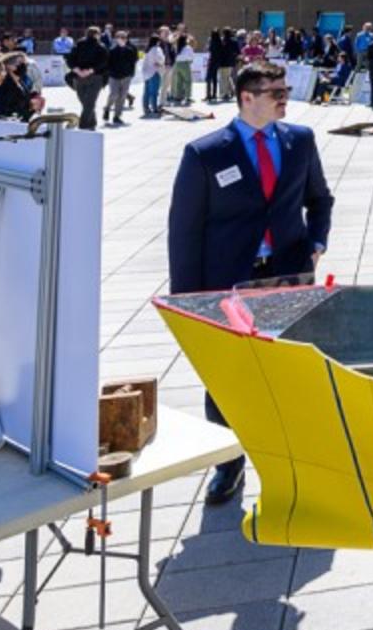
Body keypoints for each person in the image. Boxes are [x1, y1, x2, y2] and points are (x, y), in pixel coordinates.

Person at [168, 62, 334, 504]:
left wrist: (316, 243)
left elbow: (320, 199)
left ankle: (291, 465)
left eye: (285, 89)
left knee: (287, 371)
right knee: (226, 379)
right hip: (228, 282)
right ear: (246, 97)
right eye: (274, 91)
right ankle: (228, 465)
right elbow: (184, 231)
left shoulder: (300, 141)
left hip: (286, 277)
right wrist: (189, 301)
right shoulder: (205, 153)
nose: (284, 96)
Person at [65, 27, 108, 130]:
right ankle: (88, 124)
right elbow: (104, 62)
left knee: (86, 102)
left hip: (80, 76)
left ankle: (86, 124)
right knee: (89, 102)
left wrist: (77, 70)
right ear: (97, 35)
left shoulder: (78, 45)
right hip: (95, 77)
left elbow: (69, 59)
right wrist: (89, 70)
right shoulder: (100, 46)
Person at [104, 30, 140, 126]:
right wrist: (109, 73)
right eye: (120, 37)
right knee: (114, 94)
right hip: (114, 76)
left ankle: (117, 116)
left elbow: (134, 61)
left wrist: (131, 73)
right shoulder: (111, 50)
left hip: (126, 76)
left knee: (122, 96)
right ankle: (107, 108)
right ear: (116, 39)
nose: (122, 39)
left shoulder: (130, 49)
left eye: (124, 38)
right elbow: (107, 63)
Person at [141, 36, 167, 118]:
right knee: (154, 92)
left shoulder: (147, 49)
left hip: (146, 73)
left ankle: (146, 108)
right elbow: (161, 59)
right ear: (157, 41)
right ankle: (155, 108)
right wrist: (160, 63)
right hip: (154, 72)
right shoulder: (157, 49)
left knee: (147, 92)